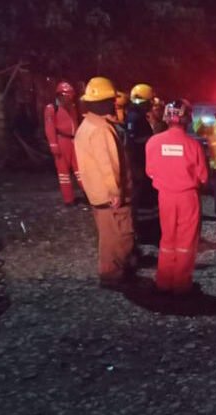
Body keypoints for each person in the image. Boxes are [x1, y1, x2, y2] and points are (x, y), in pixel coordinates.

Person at [74, 76, 135, 288]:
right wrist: (115, 192)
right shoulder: (101, 129)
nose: (113, 104)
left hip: (96, 194)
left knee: (107, 235)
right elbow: (109, 164)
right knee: (119, 236)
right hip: (110, 196)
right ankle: (113, 276)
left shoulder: (86, 125)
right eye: (110, 100)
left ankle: (111, 272)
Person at [145, 99, 208, 295]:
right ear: (187, 118)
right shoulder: (193, 145)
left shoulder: (153, 142)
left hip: (165, 197)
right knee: (186, 242)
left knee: (167, 239)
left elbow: (150, 171)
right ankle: (181, 285)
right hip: (187, 197)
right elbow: (203, 176)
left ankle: (163, 282)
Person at [125, 83, 158, 243]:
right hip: (140, 165)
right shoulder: (135, 117)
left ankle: (148, 230)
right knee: (143, 199)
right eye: (150, 101)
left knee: (147, 199)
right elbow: (134, 145)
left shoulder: (135, 115)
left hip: (143, 165)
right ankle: (146, 233)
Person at [44, 81, 82, 206]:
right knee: (64, 173)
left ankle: (89, 194)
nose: (70, 99)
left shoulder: (72, 107)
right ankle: (68, 199)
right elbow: (49, 127)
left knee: (80, 170)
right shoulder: (51, 109)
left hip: (73, 141)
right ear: (60, 95)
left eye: (71, 96)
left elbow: (75, 124)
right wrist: (53, 145)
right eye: (68, 96)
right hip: (61, 141)